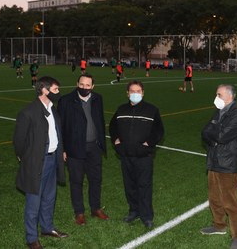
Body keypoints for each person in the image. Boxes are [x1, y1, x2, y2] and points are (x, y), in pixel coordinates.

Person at [13, 76, 68, 249]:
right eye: (55, 89)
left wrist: (61, 151)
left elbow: (58, 133)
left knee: (49, 197)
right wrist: (27, 158)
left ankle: (47, 228)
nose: (58, 93)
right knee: (33, 202)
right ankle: (31, 238)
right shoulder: (28, 112)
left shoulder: (53, 109)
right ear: (44, 90)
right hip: (37, 162)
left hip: (53, 159)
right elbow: (19, 142)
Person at [109, 80, 164, 229]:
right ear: (127, 93)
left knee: (144, 186)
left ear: (143, 93)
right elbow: (113, 127)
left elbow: (158, 130)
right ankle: (134, 211)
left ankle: (146, 216)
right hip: (126, 156)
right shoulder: (121, 110)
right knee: (130, 185)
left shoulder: (151, 110)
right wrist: (116, 142)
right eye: (132, 91)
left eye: (138, 91)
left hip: (144, 157)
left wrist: (148, 144)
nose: (135, 94)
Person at [58, 74, 109, 225]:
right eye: (82, 84)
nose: (84, 88)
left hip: (94, 147)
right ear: (77, 84)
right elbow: (60, 127)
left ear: (92, 87)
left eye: (88, 85)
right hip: (75, 148)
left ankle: (95, 208)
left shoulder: (97, 98)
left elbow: (99, 120)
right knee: (76, 181)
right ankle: (79, 212)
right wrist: (63, 149)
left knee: (96, 179)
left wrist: (100, 142)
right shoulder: (66, 100)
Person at [200, 84, 237, 249]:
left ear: (229, 96)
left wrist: (214, 134)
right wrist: (214, 136)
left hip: (227, 163)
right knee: (214, 198)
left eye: (219, 94)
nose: (216, 97)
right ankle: (219, 225)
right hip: (213, 161)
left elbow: (222, 136)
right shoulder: (219, 111)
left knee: (231, 202)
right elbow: (205, 132)